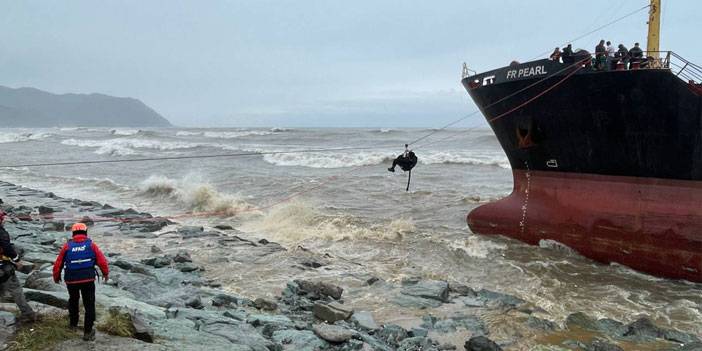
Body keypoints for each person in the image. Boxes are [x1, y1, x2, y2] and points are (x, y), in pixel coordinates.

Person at [53, 223, 109, 341]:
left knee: (73, 301)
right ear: (85, 232)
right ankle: (88, 332)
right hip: (87, 279)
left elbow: (58, 263)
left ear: (73, 233)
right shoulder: (91, 245)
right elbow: (102, 261)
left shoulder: (67, 246)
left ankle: (73, 325)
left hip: (71, 280)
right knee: (89, 304)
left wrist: (56, 276)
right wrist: (105, 273)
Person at [0, 210, 37, 324]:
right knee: (16, 289)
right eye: (3, 218)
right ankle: (28, 314)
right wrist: (16, 259)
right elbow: (6, 247)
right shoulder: (1, 233)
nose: (4, 221)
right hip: (3, 268)